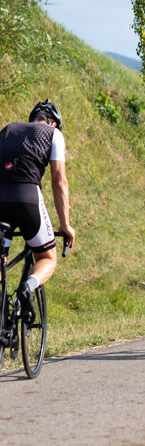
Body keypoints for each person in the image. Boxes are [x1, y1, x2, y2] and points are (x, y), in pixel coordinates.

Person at [0, 99, 75, 322]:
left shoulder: (8, 129)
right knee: (47, 256)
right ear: (54, 123)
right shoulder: (53, 134)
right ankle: (27, 287)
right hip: (27, 199)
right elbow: (59, 181)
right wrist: (65, 225)